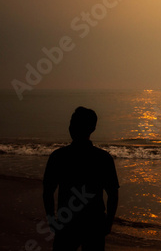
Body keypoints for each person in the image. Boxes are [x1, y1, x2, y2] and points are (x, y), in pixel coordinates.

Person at [43, 107, 119, 251]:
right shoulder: (103, 158)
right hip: (93, 223)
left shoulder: (59, 156)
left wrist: (52, 220)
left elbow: (48, 191)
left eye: (75, 123)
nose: (72, 127)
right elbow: (113, 193)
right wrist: (108, 222)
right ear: (93, 128)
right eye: (73, 123)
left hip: (68, 222)